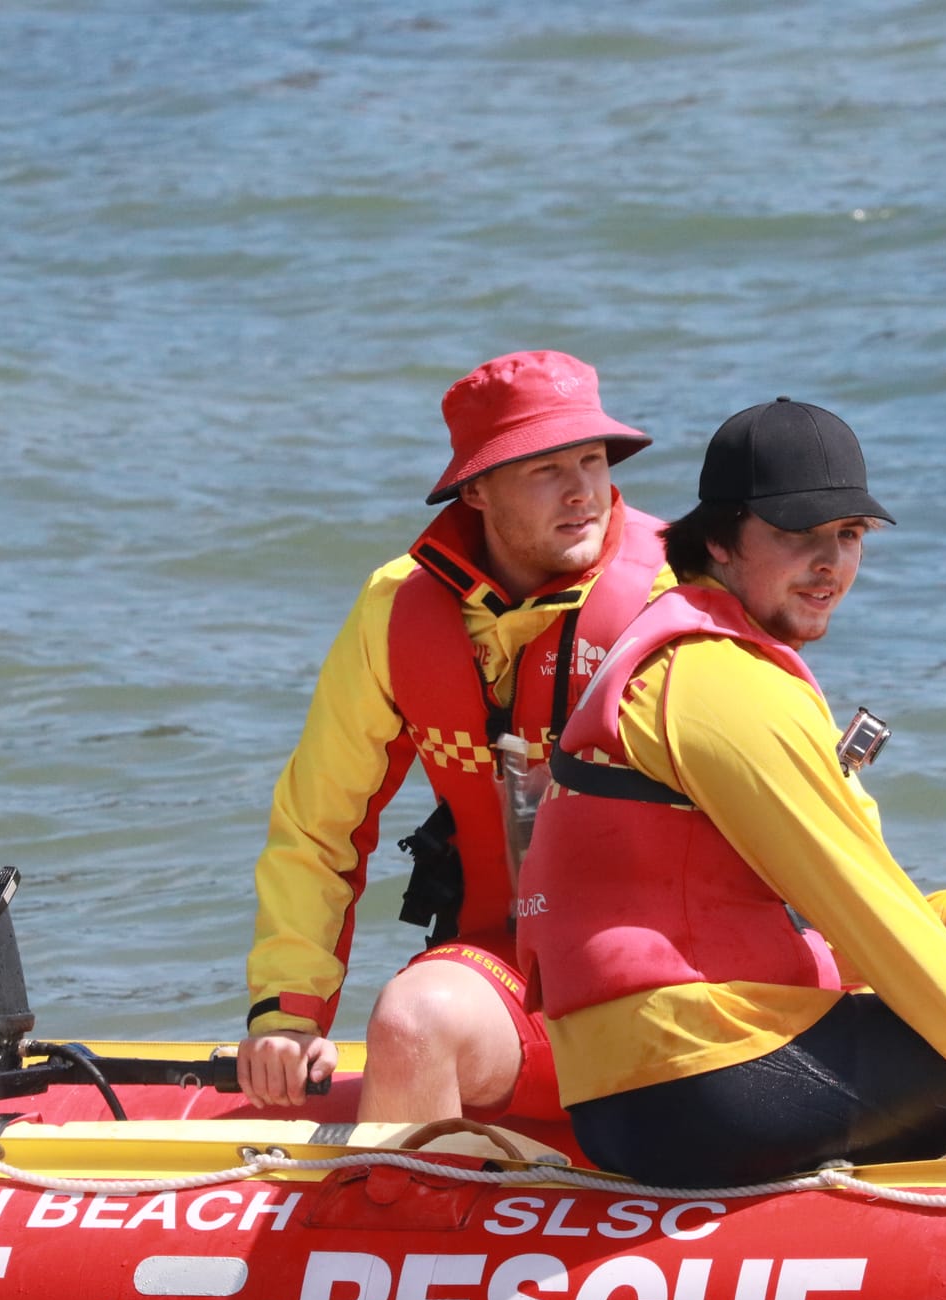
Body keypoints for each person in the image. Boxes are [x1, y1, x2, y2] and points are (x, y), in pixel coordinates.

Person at [515, 396, 946, 1186]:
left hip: (644, 1089)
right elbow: (874, 926)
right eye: (800, 535)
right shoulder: (721, 684)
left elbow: (829, 913)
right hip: (698, 1081)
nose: (831, 562)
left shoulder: (689, 651)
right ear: (721, 537)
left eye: (850, 535)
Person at [240, 350, 673, 1123]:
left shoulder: (678, 595)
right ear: (476, 488)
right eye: (547, 469)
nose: (583, 491)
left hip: (681, 987)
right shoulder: (395, 610)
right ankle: (409, 1224)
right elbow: (317, 826)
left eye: (593, 458)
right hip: (502, 981)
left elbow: (800, 812)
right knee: (411, 1020)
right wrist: (287, 1012)